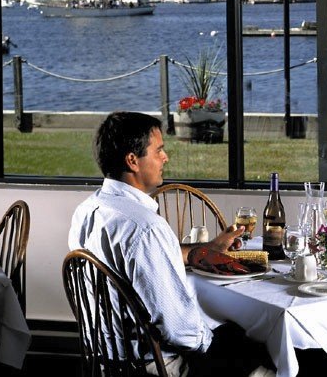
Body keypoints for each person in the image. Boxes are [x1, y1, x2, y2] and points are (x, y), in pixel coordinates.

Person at [69, 111, 275, 376]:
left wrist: (207, 249)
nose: (165, 157)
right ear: (133, 161)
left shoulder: (89, 210)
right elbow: (179, 330)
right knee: (256, 345)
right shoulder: (145, 227)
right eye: (159, 151)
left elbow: (134, 262)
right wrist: (213, 340)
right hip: (154, 363)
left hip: (105, 353)